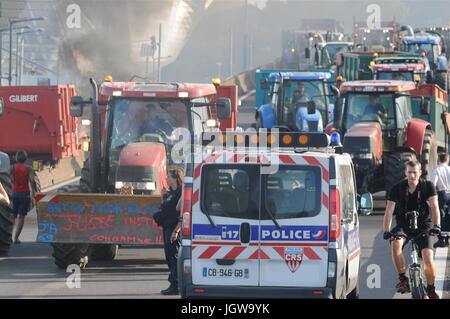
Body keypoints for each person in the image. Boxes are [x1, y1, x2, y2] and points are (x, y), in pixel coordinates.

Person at [383, 159, 441, 299]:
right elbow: (389, 211)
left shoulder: (428, 186)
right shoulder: (397, 188)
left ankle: (431, 288)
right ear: (405, 173)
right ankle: (403, 279)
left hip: (424, 225)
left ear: (420, 172)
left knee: (427, 257)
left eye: (415, 172)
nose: (412, 176)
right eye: (409, 172)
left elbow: (434, 207)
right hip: (404, 225)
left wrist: (437, 225)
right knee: (396, 244)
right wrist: (386, 230)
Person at [158, 168, 183, 295]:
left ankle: (176, 284)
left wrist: (176, 231)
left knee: (174, 256)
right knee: (169, 257)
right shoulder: (170, 193)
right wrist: (163, 196)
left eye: (168, 177)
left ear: (175, 179)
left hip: (174, 228)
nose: (166, 179)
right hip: (167, 227)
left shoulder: (180, 193)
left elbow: (180, 212)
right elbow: (165, 208)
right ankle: (173, 283)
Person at [11, 150, 35, 244]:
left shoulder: (12, 167)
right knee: (21, 217)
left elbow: (9, 178)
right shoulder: (28, 168)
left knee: (13, 216)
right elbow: (32, 181)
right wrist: (34, 192)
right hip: (24, 194)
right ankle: (16, 238)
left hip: (14, 194)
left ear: (16, 158)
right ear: (25, 159)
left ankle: (9, 236)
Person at [430, 153, 450, 231]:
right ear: (447, 160)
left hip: (442, 194)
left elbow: (432, 184)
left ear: (439, 160)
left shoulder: (437, 170)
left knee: (441, 213)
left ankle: (442, 233)